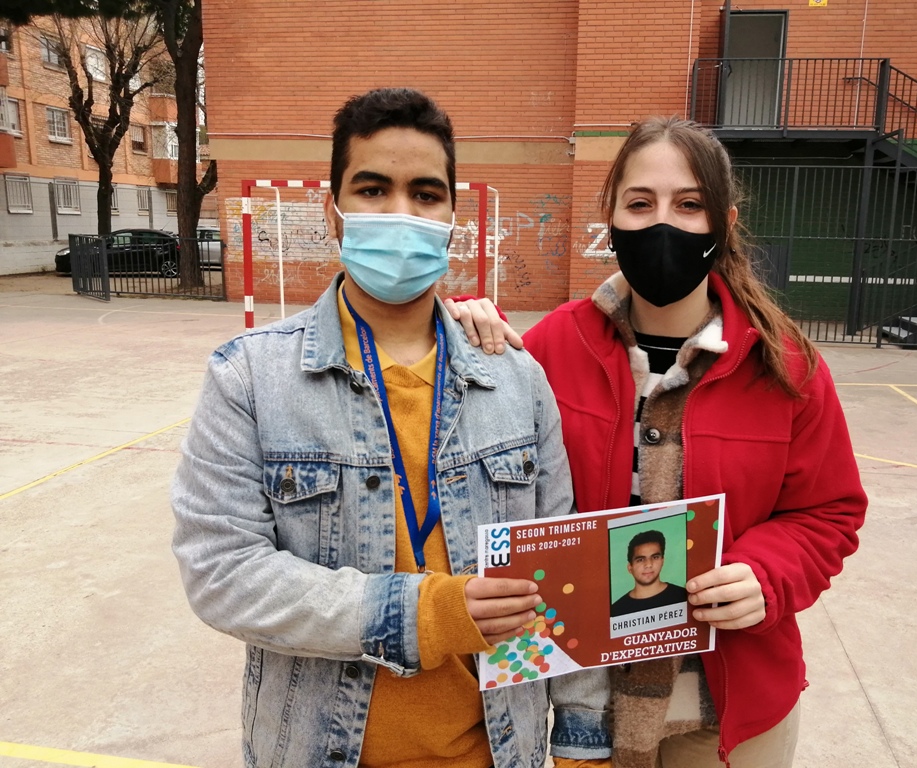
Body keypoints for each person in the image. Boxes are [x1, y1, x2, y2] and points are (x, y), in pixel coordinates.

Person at [171, 87, 610, 768]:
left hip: (498, 751)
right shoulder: (249, 378)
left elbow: (564, 568)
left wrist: (582, 739)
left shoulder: (517, 379)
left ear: (453, 217)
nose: (401, 213)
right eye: (373, 190)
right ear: (334, 212)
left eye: (426, 194)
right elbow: (222, 574)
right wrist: (424, 612)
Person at [445, 116, 867, 768]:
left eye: (689, 205)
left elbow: (829, 512)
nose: (662, 224)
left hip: (727, 716)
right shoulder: (553, 346)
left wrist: (767, 574)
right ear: (610, 219)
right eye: (640, 204)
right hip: (582, 711)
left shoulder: (787, 367)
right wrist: (468, 325)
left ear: (724, 222)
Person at [610, 530, 688, 617]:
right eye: (640, 560)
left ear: (662, 561)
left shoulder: (684, 597)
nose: (648, 564)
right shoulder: (615, 611)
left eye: (655, 557)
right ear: (630, 567)